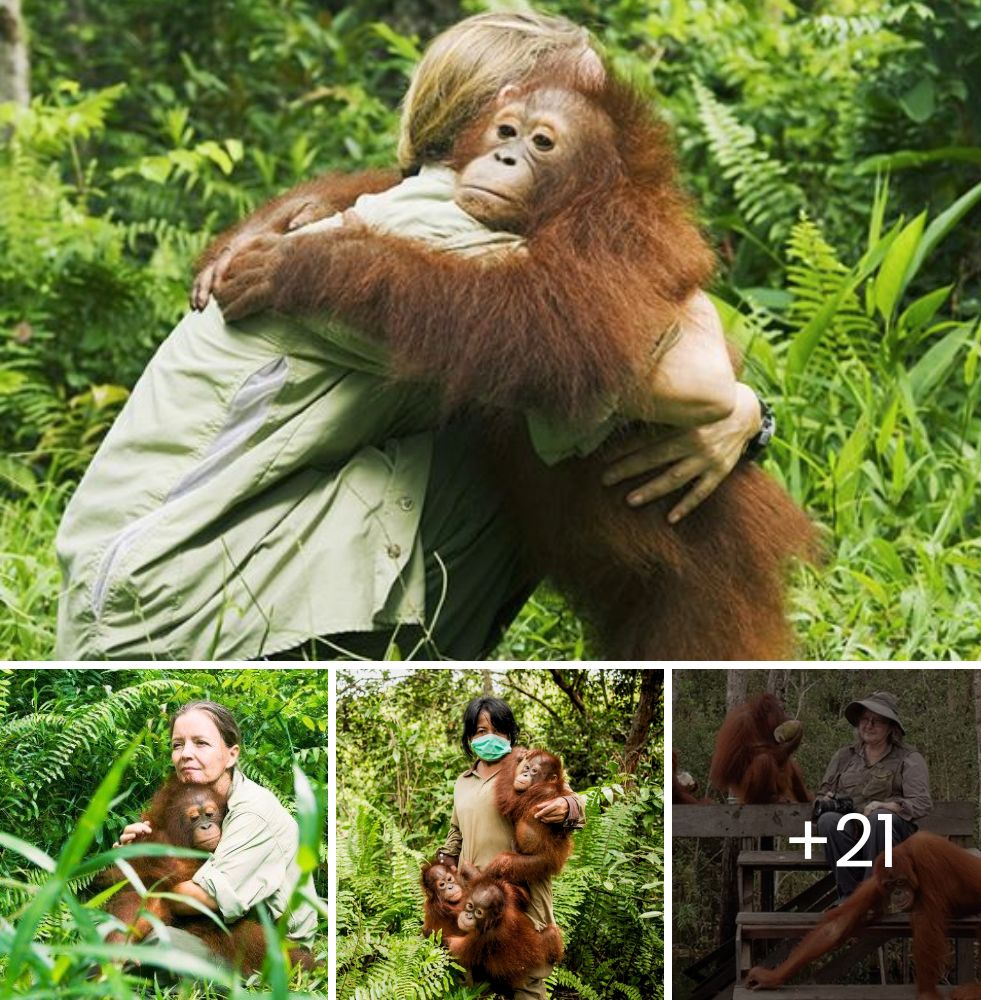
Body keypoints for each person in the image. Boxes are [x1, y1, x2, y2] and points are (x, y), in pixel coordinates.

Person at [55, 12, 765, 660]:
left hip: (146, 588)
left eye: (558, 134)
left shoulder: (392, 212)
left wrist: (747, 413)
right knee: (601, 421)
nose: (511, 157)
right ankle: (693, 687)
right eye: (511, 130)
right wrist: (733, 407)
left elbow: (616, 318)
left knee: (562, 404)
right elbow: (693, 380)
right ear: (483, 113)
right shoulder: (429, 230)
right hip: (164, 610)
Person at [114, 701, 318, 967]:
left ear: (231, 755)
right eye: (177, 745)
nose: (185, 754)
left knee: (158, 946)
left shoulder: (253, 810)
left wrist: (144, 880)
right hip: (208, 920)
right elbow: (159, 867)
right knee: (109, 930)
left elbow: (202, 898)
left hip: (267, 938)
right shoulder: (181, 798)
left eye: (200, 743)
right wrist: (131, 852)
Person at [437, 696, 582, 1000]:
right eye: (480, 731)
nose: (490, 737)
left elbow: (573, 801)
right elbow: (456, 830)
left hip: (522, 895)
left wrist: (566, 807)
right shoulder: (462, 781)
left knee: (525, 980)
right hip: (475, 896)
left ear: (510, 734)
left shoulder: (525, 769)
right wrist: (446, 860)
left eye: (498, 730)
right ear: (469, 737)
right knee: (476, 980)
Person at [813, 691, 931, 901]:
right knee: (829, 820)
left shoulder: (909, 758)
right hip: (851, 834)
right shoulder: (844, 757)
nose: (868, 726)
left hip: (891, 838)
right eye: (865, 720)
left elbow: (922, 803)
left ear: (890, 728)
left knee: (880, 819)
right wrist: (828, 800)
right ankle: (850, 899)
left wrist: (888, 806)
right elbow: (822, 794)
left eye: (876, 721)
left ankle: (872, 897)